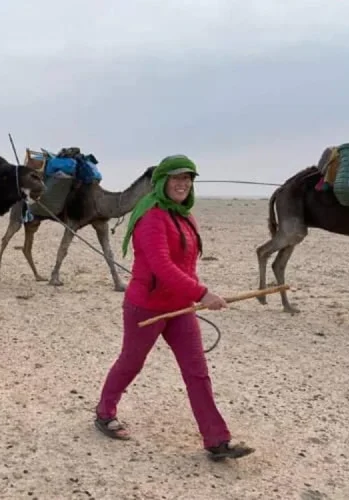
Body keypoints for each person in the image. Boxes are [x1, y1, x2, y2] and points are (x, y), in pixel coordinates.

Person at [93, 154, 254, 462]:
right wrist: (203, 293)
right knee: (131, 363)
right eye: (177, 178)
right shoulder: (151, 216)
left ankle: (217, 440)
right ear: (162, 182)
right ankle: (104, 411)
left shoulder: (185, 216)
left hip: (180, 310)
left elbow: (186, 265)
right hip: (146, 307)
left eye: (188, 178)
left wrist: (194, 296)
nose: (183, 184)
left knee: (197, 372)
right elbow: (161, 266)